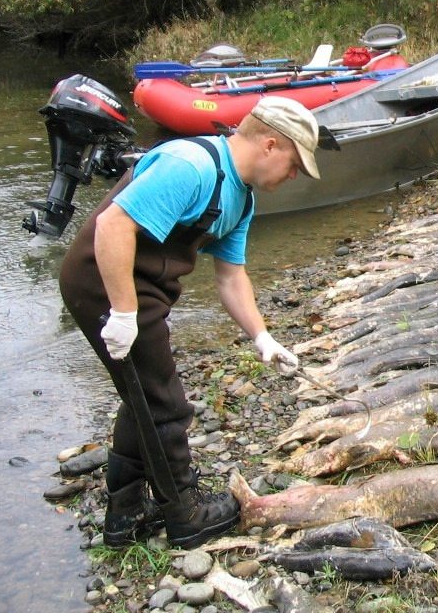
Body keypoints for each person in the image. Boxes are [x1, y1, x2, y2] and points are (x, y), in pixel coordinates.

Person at [58, 95, 321, 550]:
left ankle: (124, 513)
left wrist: (262, 338)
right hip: (101, 279)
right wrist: (122, 313)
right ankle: (185, 513)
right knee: (166, 404)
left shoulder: (241, 200)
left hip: (144, 292)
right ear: (271, 145)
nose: (295, 176)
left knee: (141, 391)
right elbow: (112, 228)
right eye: (296, 164)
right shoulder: (190, 165)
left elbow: (231, 277)